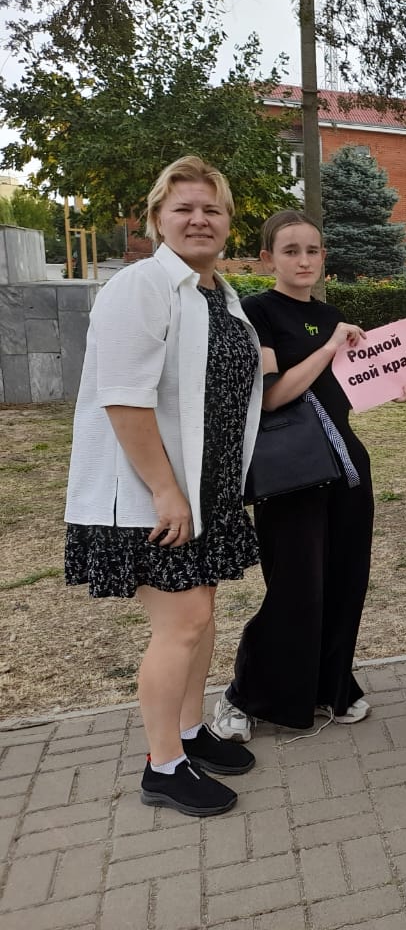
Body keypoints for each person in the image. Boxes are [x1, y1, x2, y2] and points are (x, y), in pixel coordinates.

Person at [64, 155, 262, 815]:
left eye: (212, 208)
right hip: (153, 493)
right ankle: (163, 768)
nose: (199, 219)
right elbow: (123, 400)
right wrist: (167, 491)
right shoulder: (140, 287)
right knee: (182, 623)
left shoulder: (219, 295)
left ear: (228, 223)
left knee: (202, 618)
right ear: (156, 219)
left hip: (208, 490)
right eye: (184, 208)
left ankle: (186, 732)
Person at [212, 210, 406, 742]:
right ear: (267, 259)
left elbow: (339, 396)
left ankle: (330, 686)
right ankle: (245, 695)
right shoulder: (254, 314)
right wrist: (329, 347)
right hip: (290, 474)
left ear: (323, 256)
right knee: (294, 588)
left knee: (344, 583)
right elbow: (273, 396)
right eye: (290, 251)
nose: (303, 260)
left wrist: (392, 385)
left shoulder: (331, 314)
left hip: (347, 469)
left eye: (312, 250)